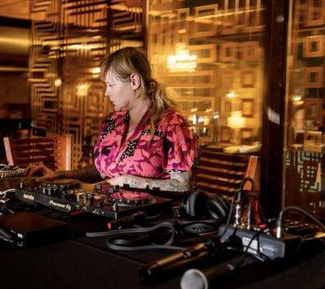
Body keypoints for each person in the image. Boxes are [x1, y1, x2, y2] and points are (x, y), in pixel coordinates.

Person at [25, 47, 199, 192]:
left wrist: (127, 180)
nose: (106, 92)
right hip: (106, 213)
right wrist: (60, 175)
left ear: (134, 81)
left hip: (151, 222)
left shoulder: (172, 124)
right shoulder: (113, 122)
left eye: (111, 85)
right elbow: (101, 171)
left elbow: (182, 185)